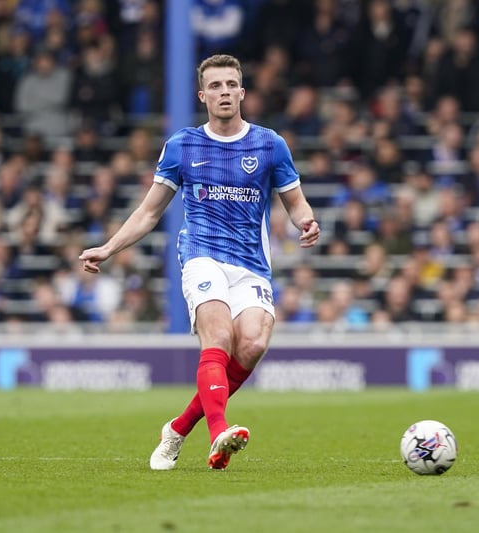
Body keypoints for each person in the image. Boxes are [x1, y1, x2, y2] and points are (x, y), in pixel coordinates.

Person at [78, 54, 320, 470]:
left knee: (253, 344)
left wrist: (307, 222)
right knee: (219, 337)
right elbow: (149, 212)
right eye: (215, 86)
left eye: (231, 85)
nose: (224, 92)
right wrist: (109, 247)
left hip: (251, 262)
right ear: (202, 94)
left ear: (242, 92)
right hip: (202, 255)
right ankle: (217, 435)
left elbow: (294, 202)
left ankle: (177, 430)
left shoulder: (269, 144)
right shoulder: (183, 145)